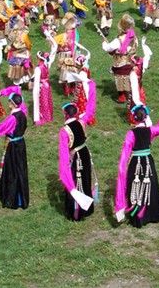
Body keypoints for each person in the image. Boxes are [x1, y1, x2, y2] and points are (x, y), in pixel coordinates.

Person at [114, 79, 159, 228]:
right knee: (151, 184)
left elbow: (124, 155)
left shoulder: (131, 134)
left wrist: (122, 169)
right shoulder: (151, 130)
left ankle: (137, 216)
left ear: (134, 118)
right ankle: (153, 214)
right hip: (148, 161)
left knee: (135, 186)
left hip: (135, 163)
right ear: (145, 117)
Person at [58, 79, 98, 221]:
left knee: (76, 180)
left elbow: (63, 154)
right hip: (85, 153)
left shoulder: (64, 131)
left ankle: (76, 211)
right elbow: (90, 109)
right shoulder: (81, 122)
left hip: (75, 157)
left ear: (66, 114)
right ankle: (88, 207)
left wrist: (64, 171)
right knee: (86, 178)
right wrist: (92, 88)